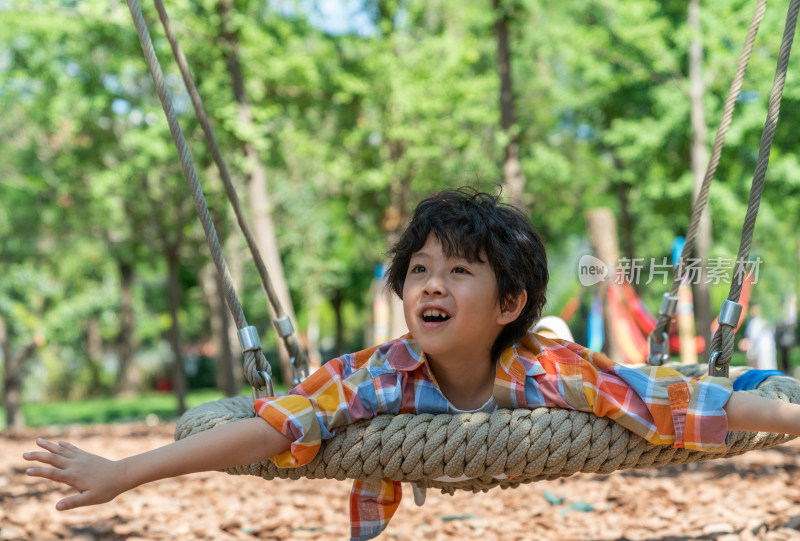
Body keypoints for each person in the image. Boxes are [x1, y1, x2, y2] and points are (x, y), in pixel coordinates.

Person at [23, 188, 800, 541]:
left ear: (506, 303)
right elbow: (269, 427)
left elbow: (691, 407)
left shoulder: (556, 373)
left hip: (535, 362)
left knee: (686, 383)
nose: (431, 282)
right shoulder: (375, 374)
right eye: (420, 269)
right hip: (460, 383)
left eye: (460, 271)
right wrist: (125, 470)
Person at [740, 303, 778, 371]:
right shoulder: (758, 320)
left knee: (765, 366)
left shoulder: (760, 320)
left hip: (763, 347)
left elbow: (754, 335)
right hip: (761, 347)